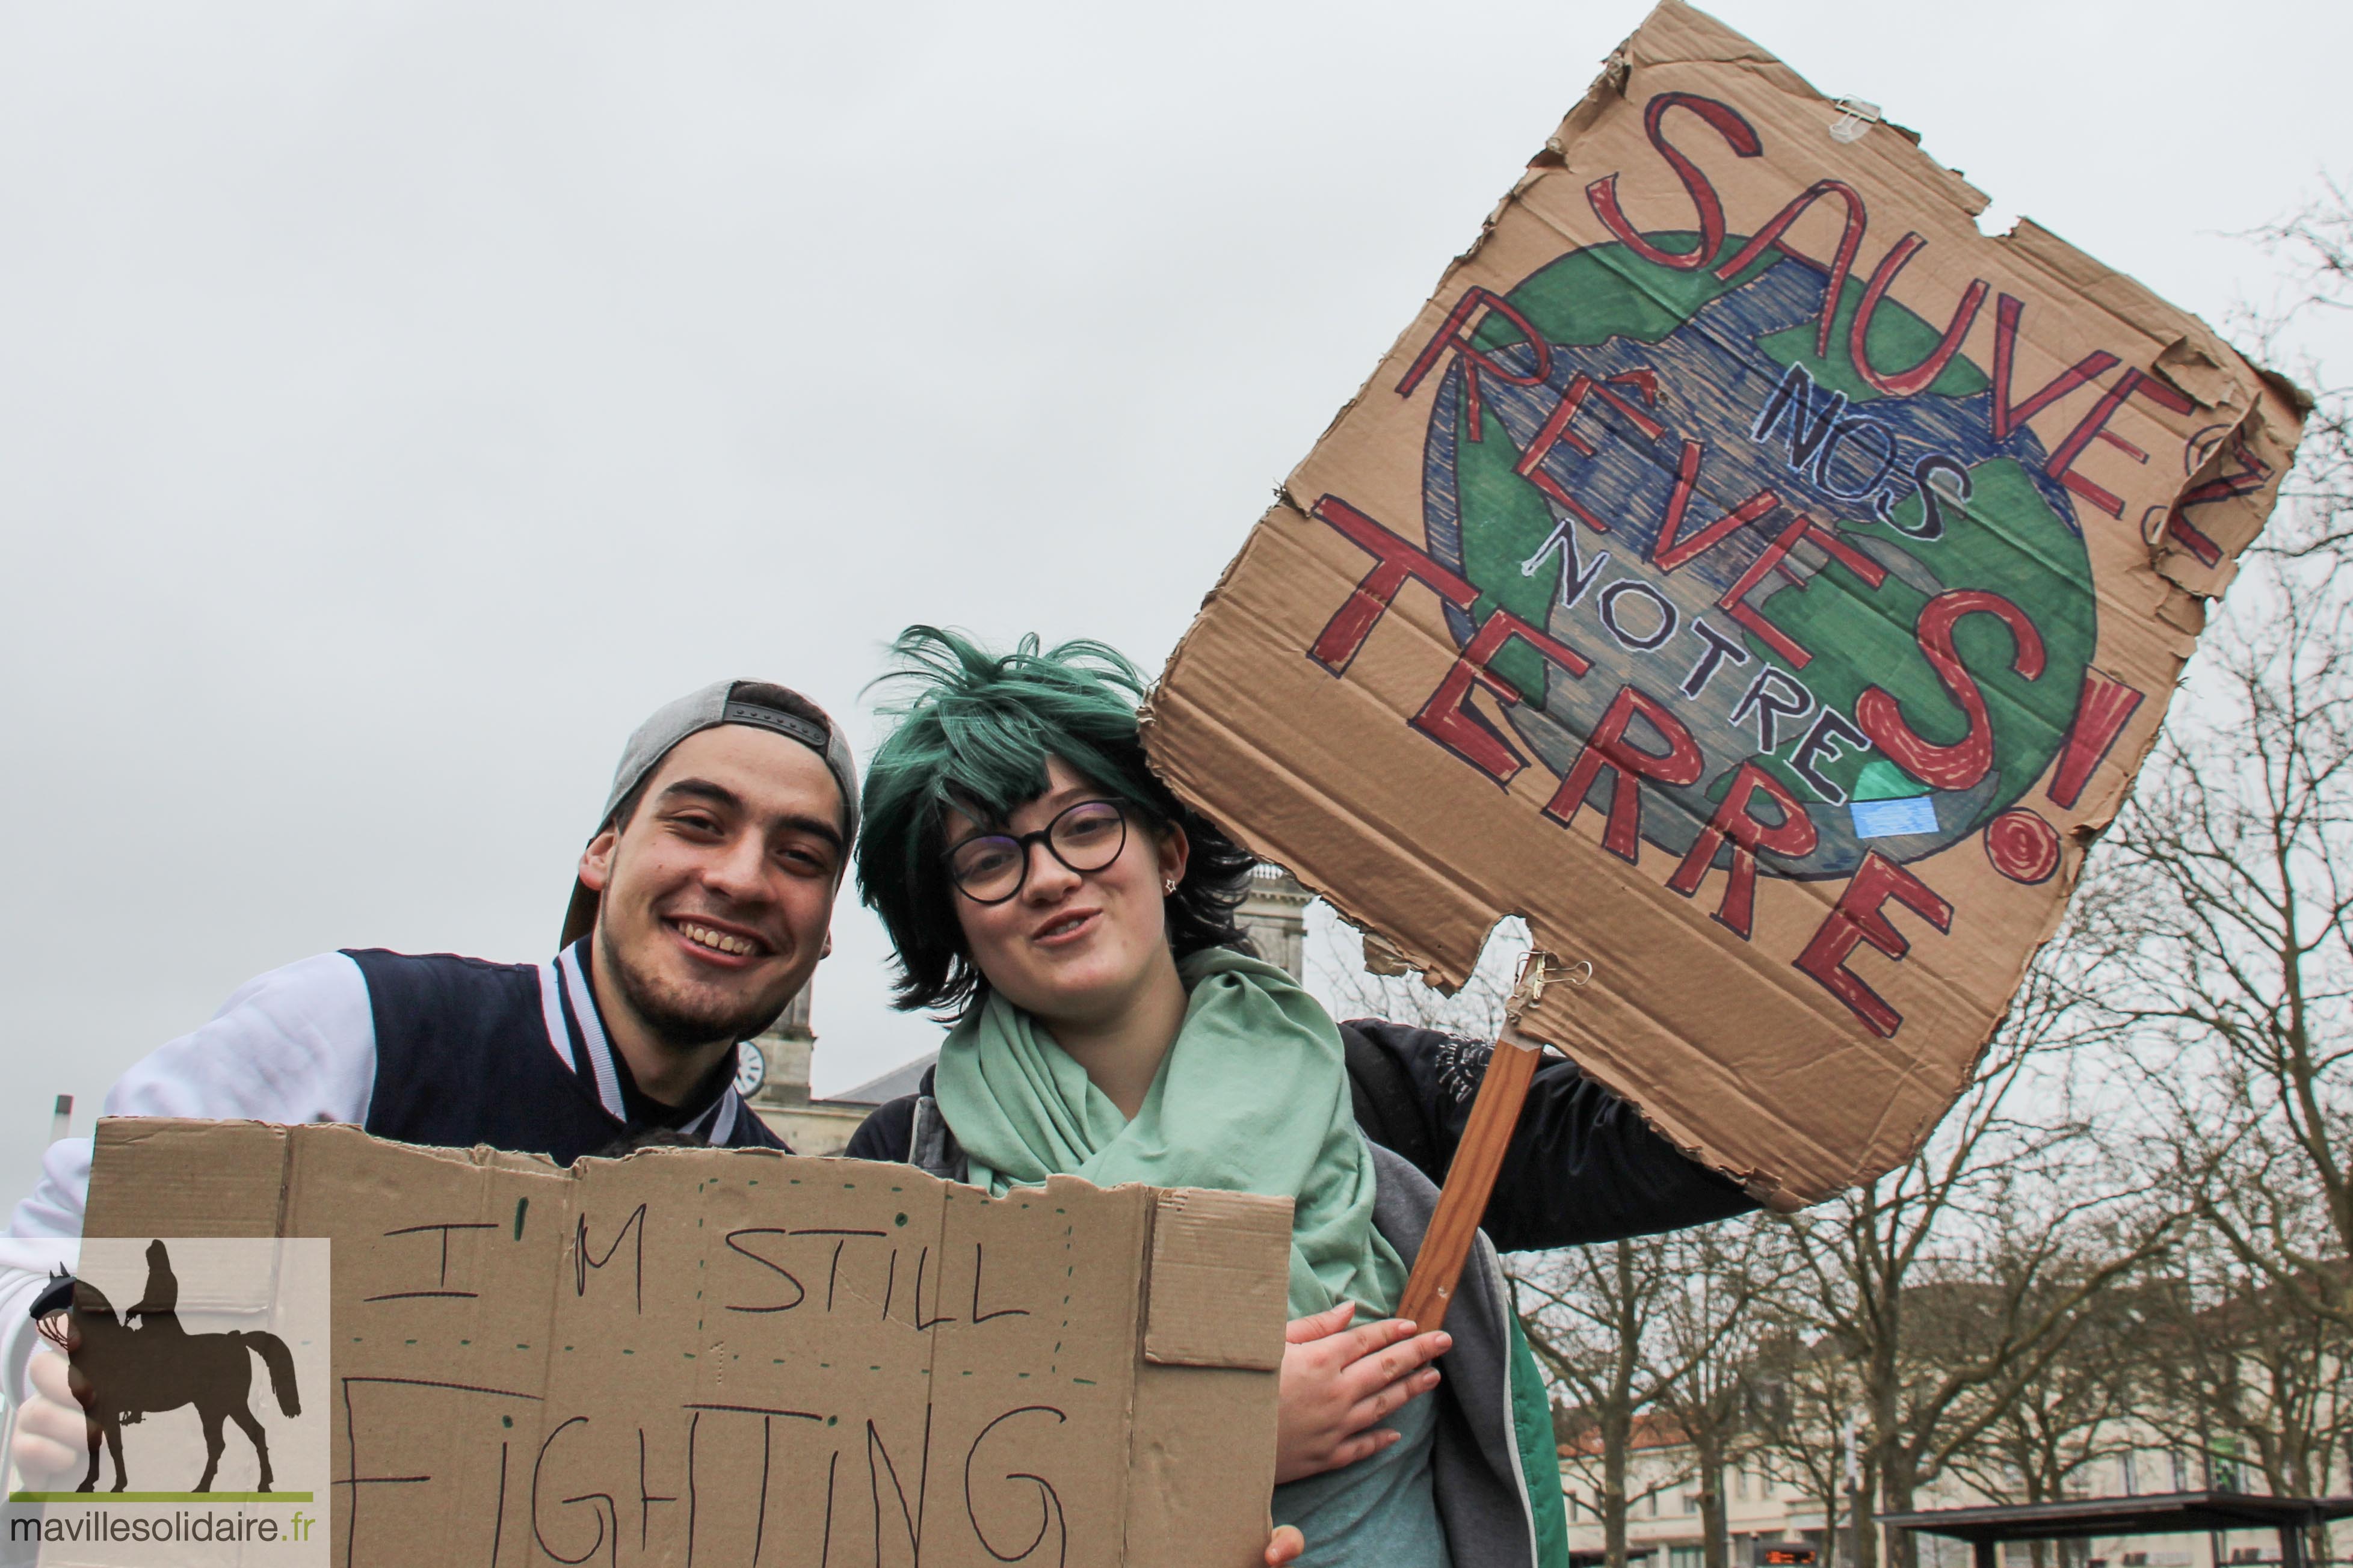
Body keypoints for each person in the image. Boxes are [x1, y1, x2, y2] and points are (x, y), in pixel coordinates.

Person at [842, 628, 1757, 1568]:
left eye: (1085, 826)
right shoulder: (904, 1167)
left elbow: (1709, 1139)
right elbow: (854, 1484)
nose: (1049, 876)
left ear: (1168, 851)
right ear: (949, 916)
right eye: (990, 861)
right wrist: (1211, 1440)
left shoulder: (1376, 1095)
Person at [1, 678, 859, 1483]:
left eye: (799, 856)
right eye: (701, 823)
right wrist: (56, 1357)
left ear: (824, 932)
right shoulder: (360, 1027)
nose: (742, 877)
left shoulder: (796, 1226)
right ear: (602, 854)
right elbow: (45, 1251)